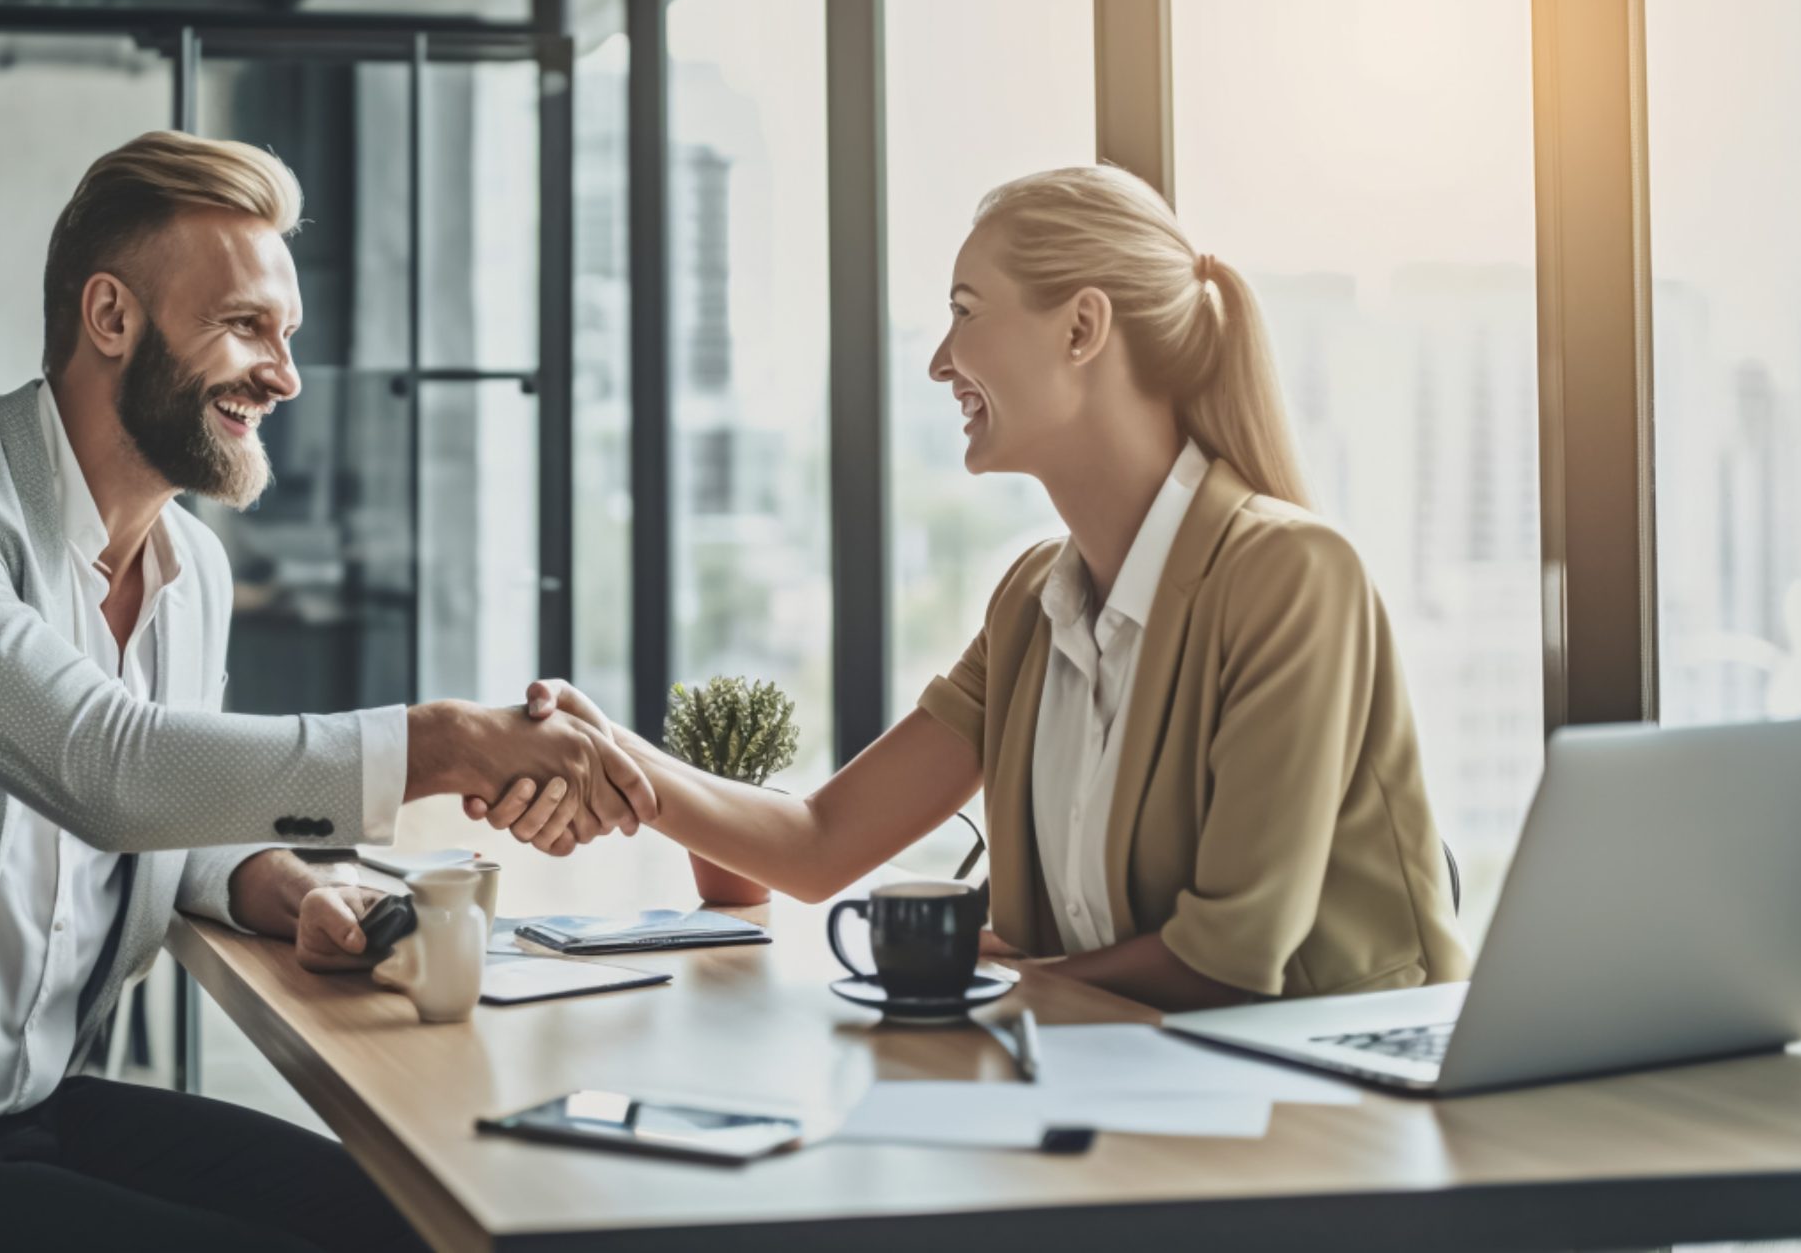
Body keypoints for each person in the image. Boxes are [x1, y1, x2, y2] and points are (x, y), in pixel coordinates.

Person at [0, 131, 653, 1252]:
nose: (283, 374)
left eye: (287, 334)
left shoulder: (190, 571)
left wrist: (284, 886)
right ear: (111, 318)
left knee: (406, 1218)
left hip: (20, 1107)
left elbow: (164, 823)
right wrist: (436, 742)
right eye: (246, 326)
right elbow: (103, 766)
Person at [473, 164, 1470, 1011]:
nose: (940, 359)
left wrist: (1004, 983)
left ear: (1082, 328)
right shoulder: (1035, 599)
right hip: (1120, 1090)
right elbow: (821, 843)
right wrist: (605, 749)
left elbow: (1230, 952)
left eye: (963, 312)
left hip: (1331, 1123)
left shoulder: (1289, 574)